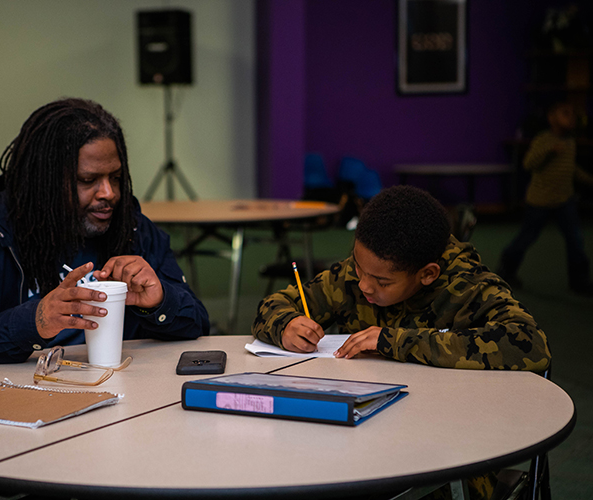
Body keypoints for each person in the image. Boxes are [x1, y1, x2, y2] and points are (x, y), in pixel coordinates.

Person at [252, 185, 551, 499]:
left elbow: (529, 343)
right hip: (364, 435)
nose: (363, 284)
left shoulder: (468, 287)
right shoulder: (362, 272)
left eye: (382, 282)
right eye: (357, 266)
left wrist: (396, 342)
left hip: (448, 449)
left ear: (427, 274)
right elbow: (273, 305)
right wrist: (284, 324)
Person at [0, 98, 210, 370]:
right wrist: (34, 321)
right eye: (88, 180)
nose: (109, 193)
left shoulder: (134, 229)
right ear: (43, 182)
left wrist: (161, 301)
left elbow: (197, 324)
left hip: (119, 395)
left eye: (116, 178)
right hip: (15, 401)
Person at [498, 100, 593, 295]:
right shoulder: (544, 139)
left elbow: (571, 168)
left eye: (572, 115)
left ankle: (579, 281)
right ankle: (505, 271)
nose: (571, 118)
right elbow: (528, 163)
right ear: (552, 118)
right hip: (540, 201)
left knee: (575, 240)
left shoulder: (570, 141)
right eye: (565, 113)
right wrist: (549, 151)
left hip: (564, 200)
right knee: (526, 237)